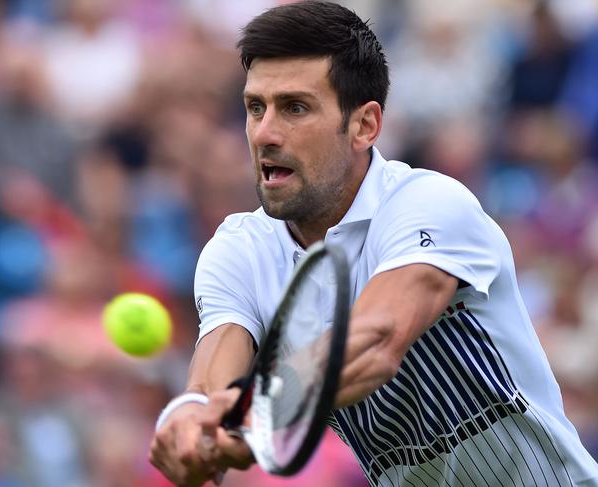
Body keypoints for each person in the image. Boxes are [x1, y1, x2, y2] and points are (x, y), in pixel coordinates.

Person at [149, 1, 598, 486]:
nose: (265, 133)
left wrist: (253, 411)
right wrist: (195, 425)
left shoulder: (430, 203)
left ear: (365, 125)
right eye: (256, 107)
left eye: (294, 108)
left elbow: (376, 341)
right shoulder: (237, 250)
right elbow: (212, 376)